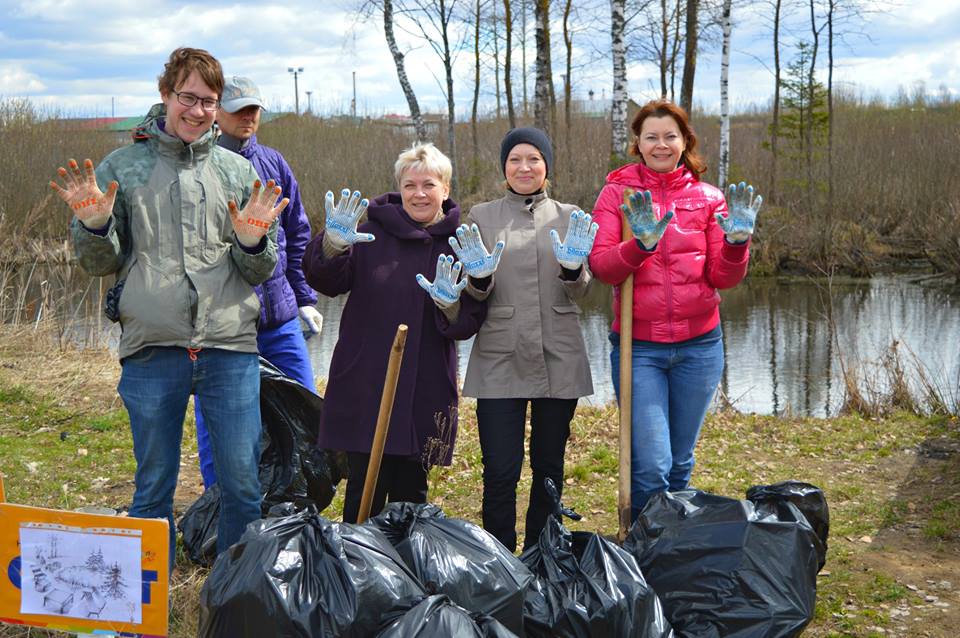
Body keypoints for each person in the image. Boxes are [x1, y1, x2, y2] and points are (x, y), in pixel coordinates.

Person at [49, 47, 286, 564]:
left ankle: (236, 593)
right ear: (165, 95)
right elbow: (99, 262)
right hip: (152, 348)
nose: (198, 111)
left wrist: (251, 243)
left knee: (243, 485)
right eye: (189, 98)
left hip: (230, 348)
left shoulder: (235, 171)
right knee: (153, 485)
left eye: (209, 101)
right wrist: (93, 226)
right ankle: (149, 594)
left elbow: (259, 270)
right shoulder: (122, 168)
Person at [588, 99, 763, 521]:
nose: (661, 145)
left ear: (685, 141)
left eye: (670, 136)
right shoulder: (618, 195)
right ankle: (647, 551)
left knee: (681, 462)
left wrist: (737, 244)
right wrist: (640, 246)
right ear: (638, 143)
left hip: (700, 346)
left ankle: (674, 550)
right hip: (640, 349)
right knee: (652, 465)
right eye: (652, 137)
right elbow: (602, 266)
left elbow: (723, 278)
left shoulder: (708, 198)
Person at [302, 142, 485, 523]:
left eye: (429, 185)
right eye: (410, 185)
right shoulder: (369, 235)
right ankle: (355, 565)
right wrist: (332, 246)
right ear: (399, 188)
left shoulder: (460, 246)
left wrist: (451, 306)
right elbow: (325, 281)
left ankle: (406, 571)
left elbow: (468, 324)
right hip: (367, 382)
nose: (419, 193)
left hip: (426, 387)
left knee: (412, 495)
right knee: (364, 489)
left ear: (446, 189)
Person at [458, 127, 597, 552]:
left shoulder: (572, 215)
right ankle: (497, 555)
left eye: (533, 159)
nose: (524, 167)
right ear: (504, 168)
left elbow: (583, 290)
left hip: (558, 352)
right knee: (501, 468)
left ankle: (543, 553)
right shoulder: (481, 216)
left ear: (546, 167)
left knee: (548, 465)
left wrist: (574, 270)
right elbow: (472, 291)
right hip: (500, 354)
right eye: (515, 159)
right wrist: (478, 279)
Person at [192, 75, 322, 489]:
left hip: (280, 319)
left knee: (306, 405)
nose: (248, 116)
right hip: (224, 323)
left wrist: (304, 297)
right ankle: (218, 500)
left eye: (254, 109)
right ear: (217, 112)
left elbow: (297, 233)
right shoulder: (201, 165)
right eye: (238, 109)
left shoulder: (274, 162)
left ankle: (300, 494)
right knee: (220, 418)